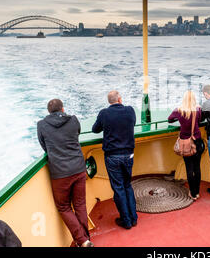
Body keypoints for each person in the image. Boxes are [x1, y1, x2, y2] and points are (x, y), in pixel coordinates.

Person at [37, 99, 93, 247]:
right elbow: (77, 134)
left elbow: (45, 147)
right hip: (79, 168)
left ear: (49, 112)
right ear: (63, 109)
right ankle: (86, 238)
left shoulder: (42, 125)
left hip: (60, 173)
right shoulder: (73, 120)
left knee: (64, 207)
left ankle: (82, 241)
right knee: (80, 204)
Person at [92, 91, 138, 230]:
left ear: (109, 102)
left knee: (118, 188)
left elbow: (95, 129)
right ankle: (133, 218)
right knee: (127, 185)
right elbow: (132, 123)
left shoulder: (104, 113)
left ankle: (126, 221)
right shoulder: (130, 111)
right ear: (120, 99)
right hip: (128, 154)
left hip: (112, 156)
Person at [168, 90, 205, 201]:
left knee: (189, 168)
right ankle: (197, 192)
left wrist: (179, 119)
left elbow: (169, 119)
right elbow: (200, 119)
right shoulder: (198, 110)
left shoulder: (179, 110)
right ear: (193, 99)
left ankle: (192, 194)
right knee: (197, 167)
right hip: (197, 141)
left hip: (185, 143)